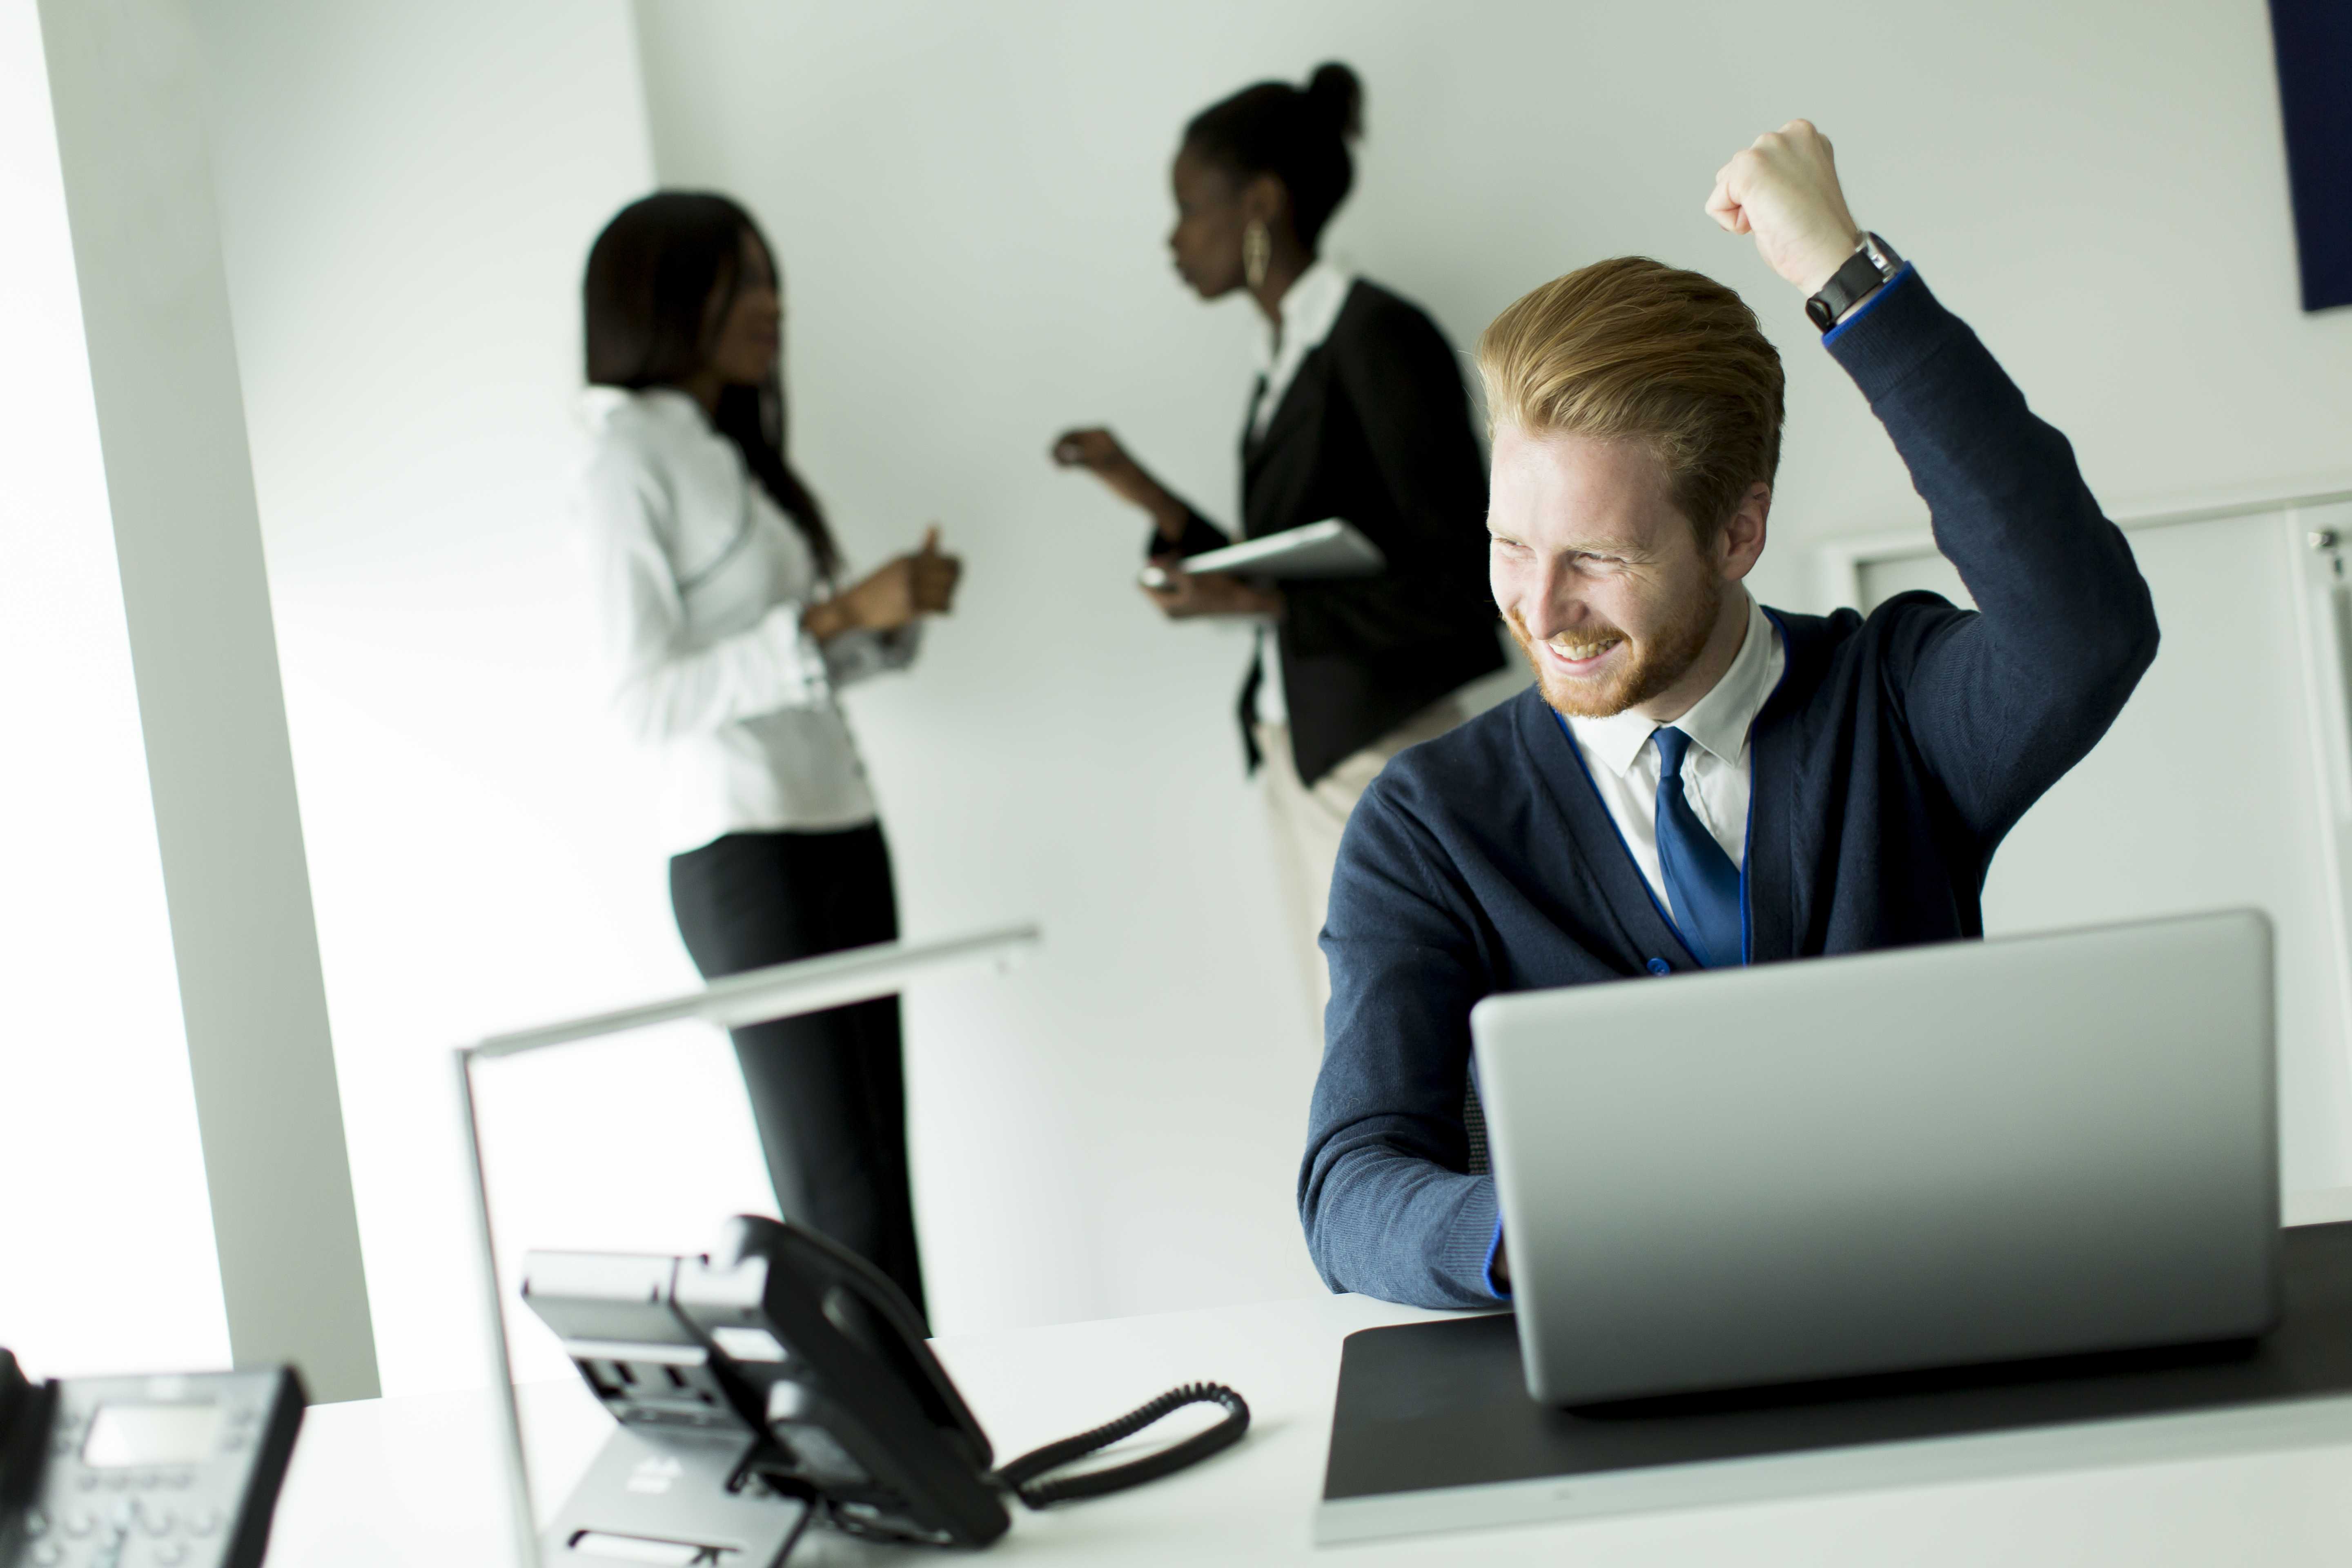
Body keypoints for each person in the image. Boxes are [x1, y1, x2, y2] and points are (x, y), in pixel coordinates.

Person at [1298, 122, 2160, 1310]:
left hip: (1935, 1329)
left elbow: (2085, 632)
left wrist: (1846, 276)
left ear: (1739, 532)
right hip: (1611, 1384)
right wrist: (1551, 1234)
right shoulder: (1428, 824)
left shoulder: (1895, 709)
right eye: (1509, 544)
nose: (1540, 609)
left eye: (1596, 557)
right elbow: (1350, 1186)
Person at [579, 192, 960, 1320]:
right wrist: (835, 622)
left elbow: (790, 662)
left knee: (881, 1188)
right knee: (839, 1202)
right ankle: (892, 1468)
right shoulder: (621, 461)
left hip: (838, 828)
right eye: (744, 282)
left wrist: (886, 619)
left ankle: (931, 1455)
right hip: (748, 855)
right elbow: (643, 697)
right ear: (664, 299)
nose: (772, 303)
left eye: (768, 278)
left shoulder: (727, 449)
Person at [1051, 63, 1503, 1013]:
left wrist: (1259, 603)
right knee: (1355, 1062)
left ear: (1261, 202)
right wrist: (1144, 492)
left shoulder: (1377, 338)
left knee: (1407, 1060)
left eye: (1187, 206)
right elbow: (1298, 554)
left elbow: (1469, 590)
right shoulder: (1288, 357)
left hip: (1374, 753)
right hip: (1302, 742)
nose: (1173, 238)